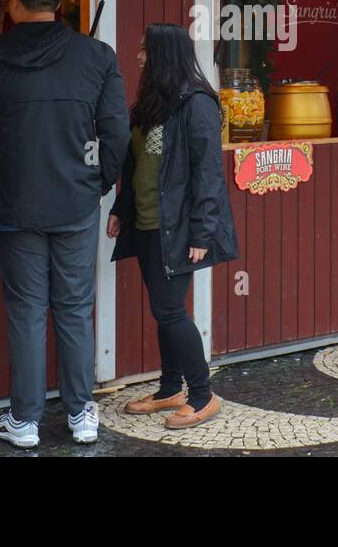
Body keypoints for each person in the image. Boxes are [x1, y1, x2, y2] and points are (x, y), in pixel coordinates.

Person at [0, 0, 129, 448]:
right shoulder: (96, 56)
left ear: (14, 2)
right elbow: (117, 131)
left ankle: (25, 420)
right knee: (75, 308)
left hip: (14, 204)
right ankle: (81, 415)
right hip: (75, 202)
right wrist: (98, 182)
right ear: (59, 1)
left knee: (27, 310)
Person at [108, 24, 238, 429]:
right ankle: (170, 390)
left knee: (168, 310)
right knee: (164, 312)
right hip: (147, 224)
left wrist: (202, 232)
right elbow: (135, 165)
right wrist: (120, 209)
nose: (139, 56)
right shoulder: (152, 103)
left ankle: (202, 396)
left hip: (178, 229)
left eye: (146, 50)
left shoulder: (197, 105)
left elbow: (209, 174)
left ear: (165, 54)